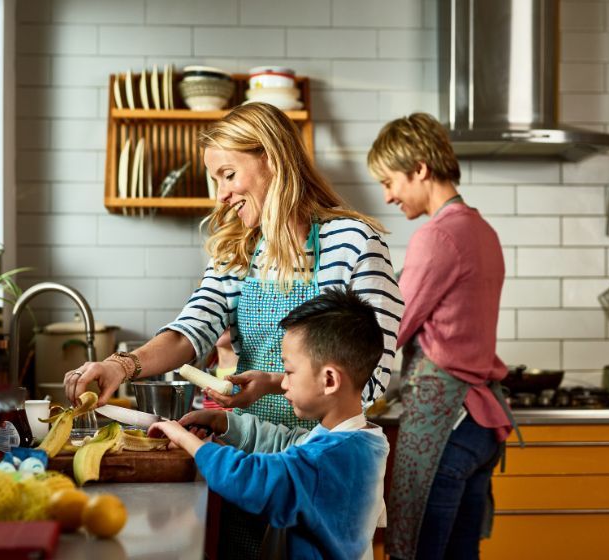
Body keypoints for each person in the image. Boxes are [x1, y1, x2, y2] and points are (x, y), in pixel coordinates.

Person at [64, 102, 403, 556]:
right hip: (244, 458)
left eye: (228, 174)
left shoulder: (356, 243)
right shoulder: (237, 250)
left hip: (321, 469)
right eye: (215, 180)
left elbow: (370, 374)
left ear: (271, 159)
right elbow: (193, 329)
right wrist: (120, 366)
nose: (220, 195)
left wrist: (275, 383)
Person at [367, 112, 514, 560]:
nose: (388, 195)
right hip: (481, 426)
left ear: (420, 169)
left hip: (446, 423)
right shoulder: (482, 230)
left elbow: (392, 325)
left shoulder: (437, 236)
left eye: (390, 181)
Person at [150, 288, 389, 560]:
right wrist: (222, 420)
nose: (282, 384)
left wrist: (183, 439)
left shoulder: (327, 458)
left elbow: (248, 477)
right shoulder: (359, 439)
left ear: (330, 380)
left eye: (289, 372)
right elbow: (285, 443)